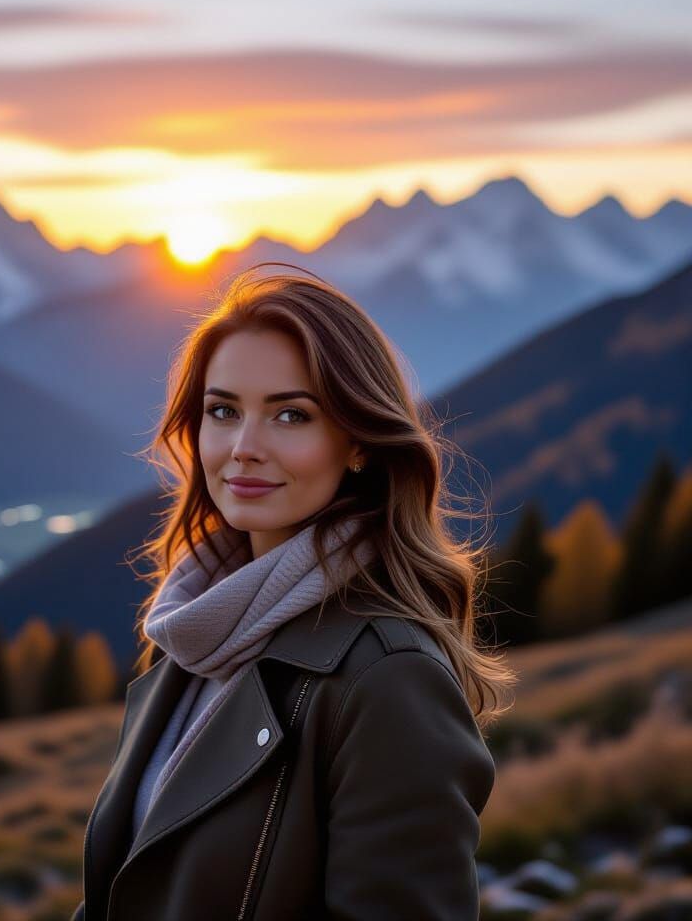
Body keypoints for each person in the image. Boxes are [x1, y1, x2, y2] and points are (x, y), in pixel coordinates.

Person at [72, 263, 517, 921]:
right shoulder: (191, 635)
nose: (244, 448)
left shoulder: (388, 679)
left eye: (291, 414)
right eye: (223, 410)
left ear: (359, 441)